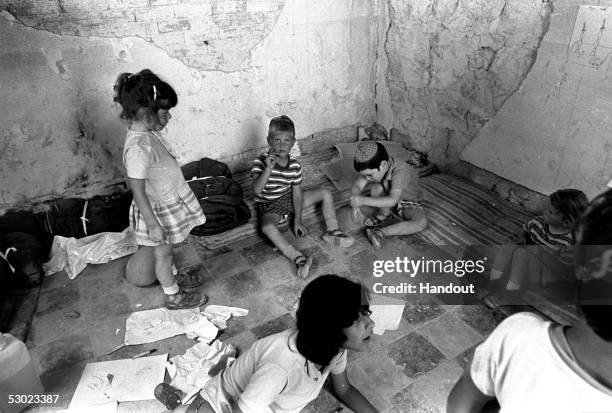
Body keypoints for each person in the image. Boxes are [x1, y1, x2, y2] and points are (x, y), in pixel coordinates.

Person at [447, 189, 612, 413]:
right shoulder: (539, 226)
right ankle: (497, 282)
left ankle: (504, 289)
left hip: (545, 268)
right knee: (514, 251)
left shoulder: (519, 335)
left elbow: (463, 399)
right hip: (533, 260)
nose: (545, 213)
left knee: (522, 258)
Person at [164, 274, 379, 413]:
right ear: (329, 330)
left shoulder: (334, 348)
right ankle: (180, 406)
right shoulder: (280, 367)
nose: (371, 323)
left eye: (365, 314)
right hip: (221, 405)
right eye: (356, 319)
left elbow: (344, 389)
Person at [114, 69, 208, 309]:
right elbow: (137, 190)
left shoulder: (147, 134)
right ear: (147, 113)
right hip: (157, 212)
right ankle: (173, 296)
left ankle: (170, 279)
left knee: (165, 254)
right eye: (165, 111)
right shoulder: (138, 148)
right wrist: (153, 224)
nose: (169, 117)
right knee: (163, 256)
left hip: (165, 203)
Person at [252, 116, 354, 278]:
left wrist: (297, 220)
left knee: (325, 193)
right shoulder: (261, 162)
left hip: (289, 199)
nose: (281, 144)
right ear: (269, 141)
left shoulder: (294, 165)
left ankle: (333, 231)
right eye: (277, 140)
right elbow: (257, 191)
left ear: (293, 142)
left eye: (287, 140)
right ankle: (298, 259)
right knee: (267, 227)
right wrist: (268, 169)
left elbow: (297, 193)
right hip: (269, 205)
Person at [485, 189, 588, 307]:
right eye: (547, 208)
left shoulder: (569, 242)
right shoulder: (539, 222)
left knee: (521, 255)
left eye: (550, 212)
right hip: (530, 258)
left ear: (566, 222)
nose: (545, 212)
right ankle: (493, 282)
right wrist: (522, 238)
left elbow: (561, 269)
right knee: (510, 246)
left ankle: (509, 296)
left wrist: (539, 254)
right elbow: (525, 231)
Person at [349, 141, 427, 249]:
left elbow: (392, 200)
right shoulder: (375, 166)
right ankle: (385, 215)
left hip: (408, 203)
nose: (367, 179)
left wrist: (362, 200)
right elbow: (357, 186)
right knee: (376, 189)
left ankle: (380, 232)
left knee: (421, 222)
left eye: (369, 175)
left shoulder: (401, 170)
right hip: (389, 199)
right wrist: (355, 201)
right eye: (365, 176)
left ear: (383, 165)